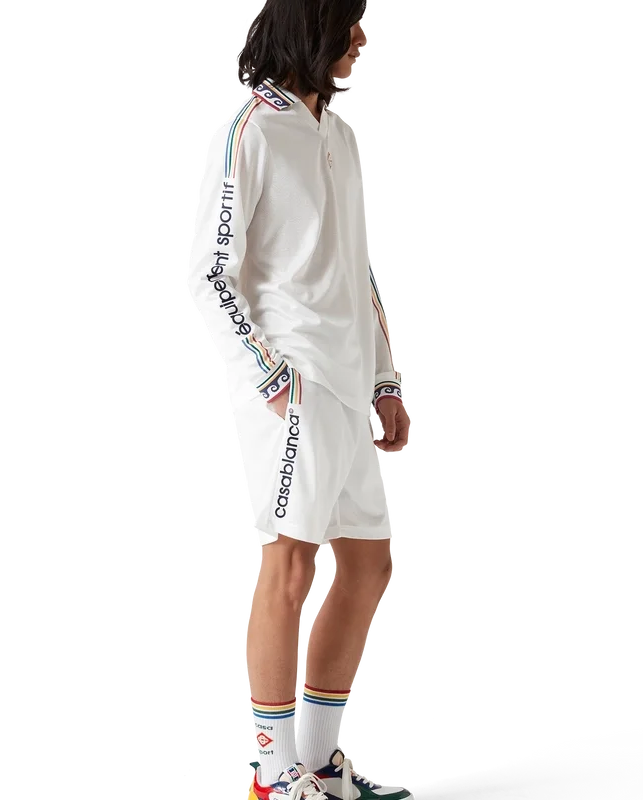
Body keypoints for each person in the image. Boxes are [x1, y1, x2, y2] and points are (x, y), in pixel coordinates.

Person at [187, 2, 412, 798]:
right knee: (289, 564)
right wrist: (272, 374)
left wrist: (386, 379)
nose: (363, 41)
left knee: (368, 562)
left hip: (354, 384)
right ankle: (271, 770)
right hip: (297, 387)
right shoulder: (250, 129)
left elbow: (358, 269)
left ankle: (316, 760)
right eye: (352, 25)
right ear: (314, 26)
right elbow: (209, 273)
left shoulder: (337, 131)